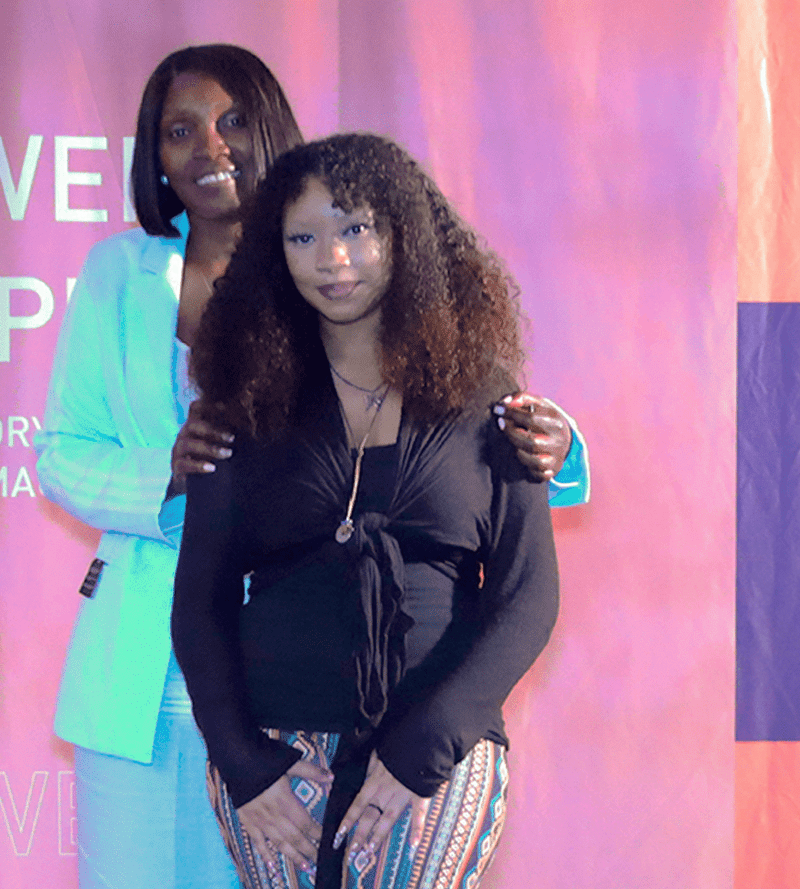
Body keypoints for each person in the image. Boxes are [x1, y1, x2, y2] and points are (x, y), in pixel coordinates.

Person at [36, 45, 586, 889]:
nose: (209, 146)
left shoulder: (394, 314)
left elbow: (476, 488)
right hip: (168, 664)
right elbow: (64, 452)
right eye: (180, 130)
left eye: (231, 120)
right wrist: (171, 472)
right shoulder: (120, 277)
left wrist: (556, 441)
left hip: (364, 694)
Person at [172, 133, 559, 889]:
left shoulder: (485, 397)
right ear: (276, 254)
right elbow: (199, 603)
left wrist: (427, 747)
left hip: (436, 753)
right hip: (274, 759)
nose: (333, 258)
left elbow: (528, 595)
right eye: (304, 238)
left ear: (403, 236)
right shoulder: (240, 408)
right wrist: (243, 762)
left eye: (356, 229)